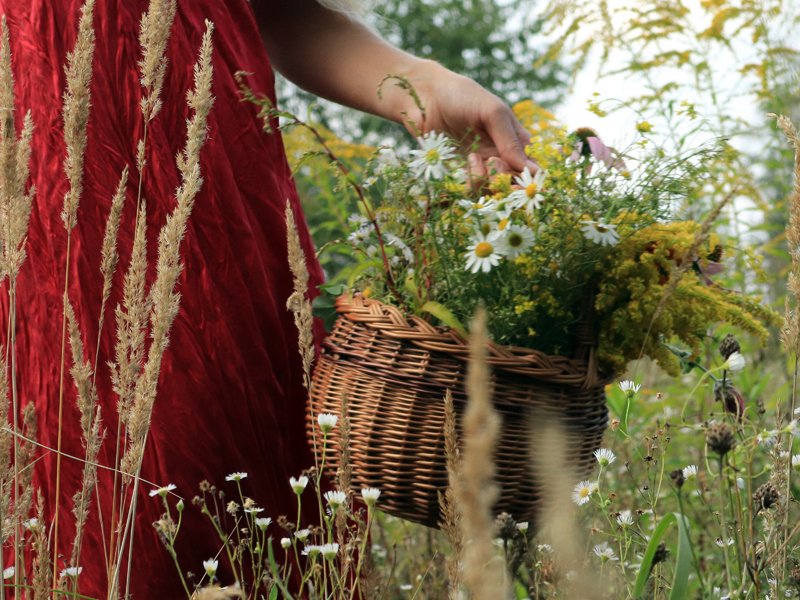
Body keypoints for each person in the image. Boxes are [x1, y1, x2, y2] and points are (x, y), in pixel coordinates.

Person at [0, 0, 533, 596]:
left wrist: (424, 86)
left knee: (210, 511)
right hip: (29, 234)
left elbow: (285, 14)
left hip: (209, 241)